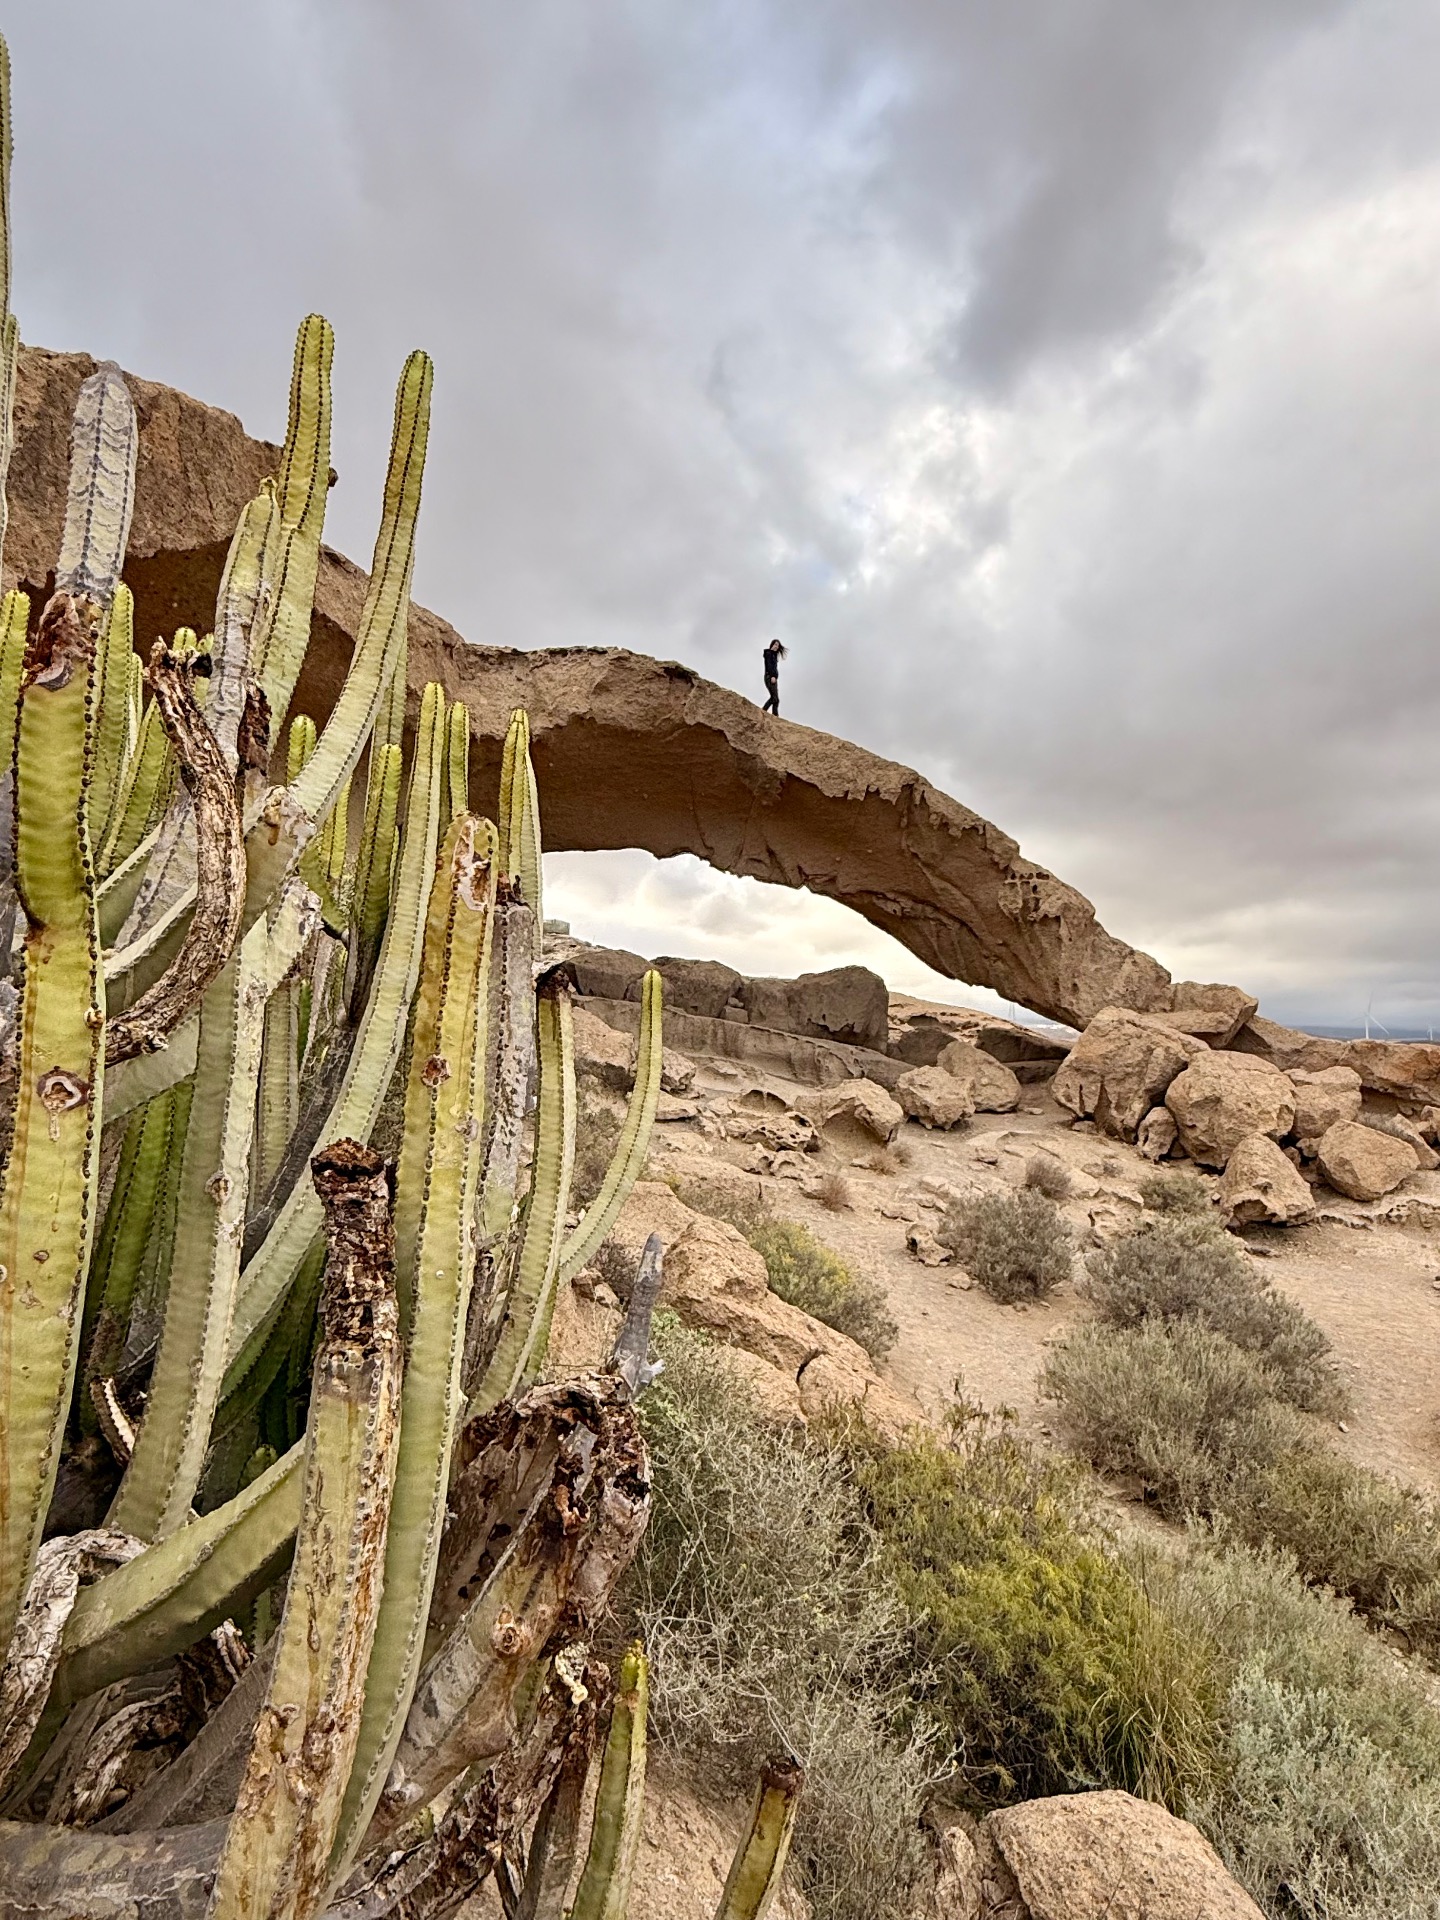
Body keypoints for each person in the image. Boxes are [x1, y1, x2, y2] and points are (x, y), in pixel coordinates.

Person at [762, 638, 787, 714]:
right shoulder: (769, 653)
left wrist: (775, 677)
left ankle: (775, 718)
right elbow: (769, 665)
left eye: (778, 646)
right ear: (772, 645)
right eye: (775, 644)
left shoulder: (774, 655)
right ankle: (763, 711)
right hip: (769, 677)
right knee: (774, 698)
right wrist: (772, 676)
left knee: (776, 700)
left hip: (773, 678)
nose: (776, 646)